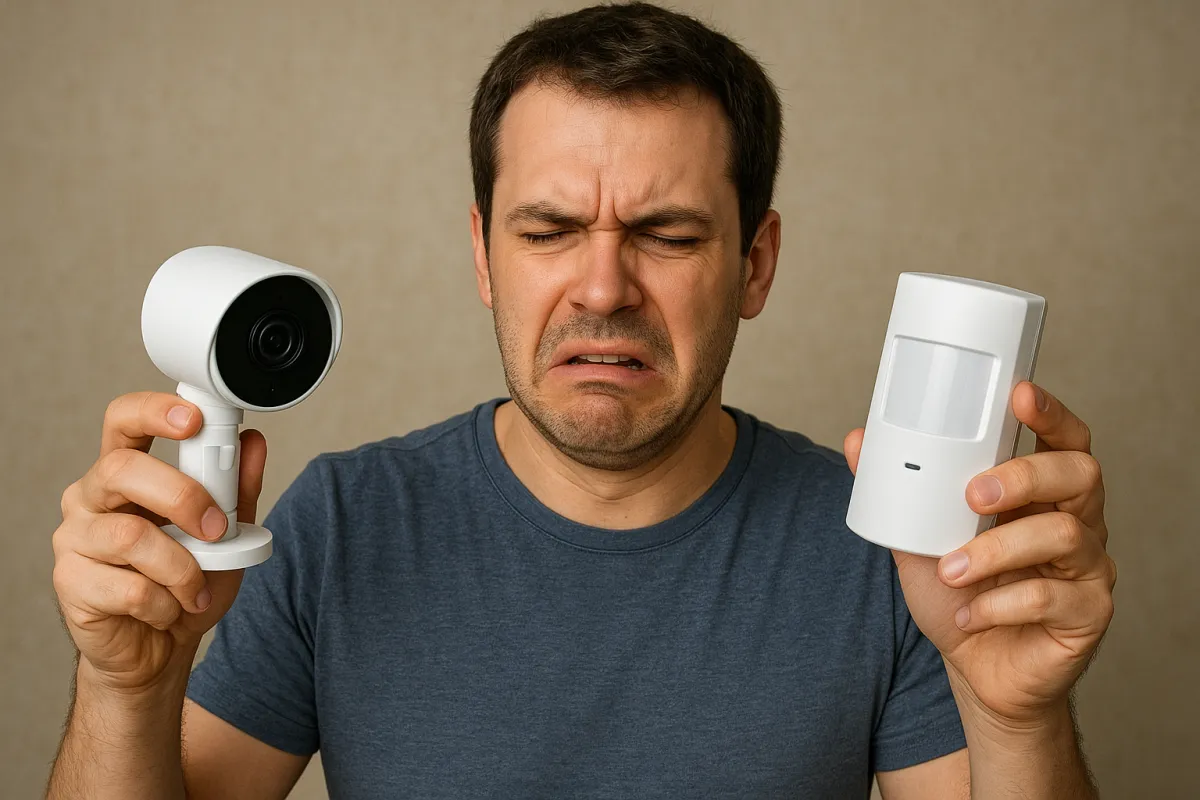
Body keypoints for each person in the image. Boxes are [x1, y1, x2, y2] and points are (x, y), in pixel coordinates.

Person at [46, 3, 1116, 798]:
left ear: (755, 262)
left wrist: (1015, 715)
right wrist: (124, 689)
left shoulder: (893, 551)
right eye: (549, 231)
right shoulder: (342, 525)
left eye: (669, 234)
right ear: (484, 255)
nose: (602, 288)